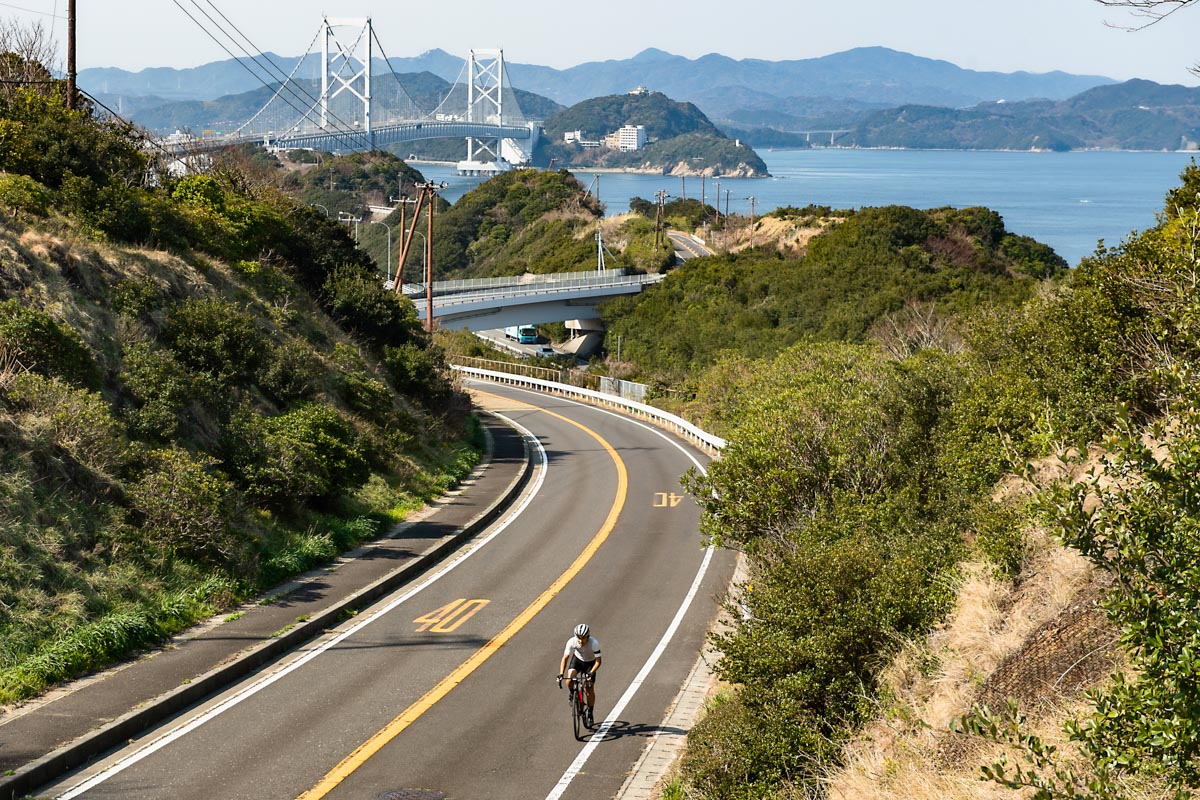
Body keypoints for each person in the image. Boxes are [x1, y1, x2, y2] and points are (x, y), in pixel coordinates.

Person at [558, 623, 601, 725]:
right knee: (569, 680)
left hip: (590, 664)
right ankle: (573, 693)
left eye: (583, 638)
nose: (581, 641)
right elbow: (565, 658)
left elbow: (598, 661)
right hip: (577, 661)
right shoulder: (571, 641)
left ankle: (590, 712)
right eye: (579, 638)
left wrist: (591, 672)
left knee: (589, 688)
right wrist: (560, 674)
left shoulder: (594, 643)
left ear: (588, 637)